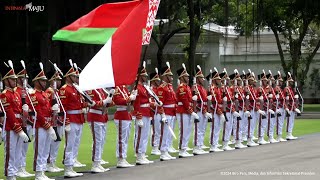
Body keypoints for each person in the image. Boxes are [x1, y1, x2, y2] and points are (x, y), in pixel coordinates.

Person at [1, 61, 29, 180]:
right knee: (11, 152)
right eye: (12, 79)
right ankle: (10, 175)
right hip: (11, 127)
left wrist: (25, 110)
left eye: (15, 79)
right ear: (6, 80)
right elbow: (9, 113)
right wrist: (18, 129)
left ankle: (15, 172)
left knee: (17, 152)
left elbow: (18, 112)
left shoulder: (17, 94)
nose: (15, 81)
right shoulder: (4, 95)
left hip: (18, 125)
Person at [30, 63, 58, 180]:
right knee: (39, 149)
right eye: (42, 80)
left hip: (47, 125)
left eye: (45, 80)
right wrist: (48, 126)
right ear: (36, 81)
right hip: (40, 126)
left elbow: (46, 110)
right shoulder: (34, 95)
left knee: (46, 149)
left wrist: (53, 111)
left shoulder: (45, 94)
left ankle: (42, 171)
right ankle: (38, 172)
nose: (45, 82)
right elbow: (38, 113)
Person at [59, 64, 86, 177]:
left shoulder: (76, 88)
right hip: (71, 119)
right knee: (69, 144)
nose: (76, 78)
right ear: (68, 77)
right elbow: (62, 107)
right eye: (74, 76)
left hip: (79, 119)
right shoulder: (64, 89)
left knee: (75, 143)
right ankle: (67, 167)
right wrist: (66, 122)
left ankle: (72, 165)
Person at [133, 62, 157, 165]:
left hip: (147, 113)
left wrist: (153, 103)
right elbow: (136, 103)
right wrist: (138, 116)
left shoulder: (144, 87)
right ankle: (139, 156)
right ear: (140, 76)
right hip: (141, 113)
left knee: (145, 135)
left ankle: (142, 154)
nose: (146, 77)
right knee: (140, 135)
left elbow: (147, 101)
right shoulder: (137, 88)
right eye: (144, 76)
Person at [14, 62, 35, 177]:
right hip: (20, 122)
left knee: (25, 147)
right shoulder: (17, 91)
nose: (25, 80)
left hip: (29, 121)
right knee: (18, 147)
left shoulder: (27, 91)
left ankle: (22, 167)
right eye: (23, 78)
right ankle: (17, 168)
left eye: (26, 78)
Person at [45, 71, 68, 172]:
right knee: (52, 142)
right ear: (52, 81)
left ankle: (52, 162)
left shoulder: (56, 91)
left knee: (57, 141)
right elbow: (47, 105)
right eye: (56, 80)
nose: (58, 82)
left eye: (59, 80)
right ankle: (49, 163)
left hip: (59, 119)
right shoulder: (49, 91)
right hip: (54, 120)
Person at [86, 87, 113, 172]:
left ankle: (98, 161)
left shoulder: (101, 90)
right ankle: (95, 164)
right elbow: (92, 103)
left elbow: (107, 103)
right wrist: (105, 101)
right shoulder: (92, 89)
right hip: (95, 116)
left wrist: (110, 98)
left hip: (101, 116)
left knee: (101, 140)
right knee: (97, 141)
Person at [175, 63, 198, 158]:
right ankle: (181, 149)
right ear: (181, 77)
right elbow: (184, 101)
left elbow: (189, 100)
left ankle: (184, 147)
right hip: (182, 111)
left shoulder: (187, 87)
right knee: (183, 130)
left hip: (187, 111)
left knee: (188, 130)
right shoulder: (181, 87)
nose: (188, 78)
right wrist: (191, 111)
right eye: (186, 76)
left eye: (188, 77)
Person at [157, 62, 177, 161]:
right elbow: (160, 103)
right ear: (165, 76)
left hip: (172, 112)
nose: (172, 77)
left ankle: (166, 150)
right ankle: (163, 152)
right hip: (166, 113)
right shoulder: (162, 88)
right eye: (170, 75)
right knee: (164, 133)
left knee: (169, 133)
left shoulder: (169, 87)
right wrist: (162, 114)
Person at [112, 84, 137, 168]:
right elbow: (118, 101)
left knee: (125, 139)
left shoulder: (123, 88)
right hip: (121, 115)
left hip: (126, 114)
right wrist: (130, 98)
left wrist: (132, 95)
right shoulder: (117, 89)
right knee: (121, 139)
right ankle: (120, 159)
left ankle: (123, 157)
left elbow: (128, 101)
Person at [192, 65, 211, 155]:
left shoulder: (203, 89)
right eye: (202, 78)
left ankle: (200, 145)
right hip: (199, 111)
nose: (203, 79)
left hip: (204, 111)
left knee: (202, 129)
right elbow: (197, 102)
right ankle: (196, 147)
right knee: (198, 130)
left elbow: (205, 101)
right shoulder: (196, 88)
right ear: (198, 79)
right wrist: (204, 111)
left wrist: (207, 110)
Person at [207, 69, 224, 152]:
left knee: (217, 128)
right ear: (213, 80)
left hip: (218, 111)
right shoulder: (212, 89)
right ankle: (213, 146)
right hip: (214, 112)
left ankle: (215, 143)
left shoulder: (217, 89)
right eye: (218, 79)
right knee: (214, 128)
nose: (219, 80)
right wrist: (219, 112)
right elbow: (213, 102)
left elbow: (219, 101)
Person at [284, 73, 300, 140]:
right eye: (290, 82)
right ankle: (288, 134)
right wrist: (289, 107)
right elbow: (286, 100)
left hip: (292, 108)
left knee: (292, 121)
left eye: (292, 82)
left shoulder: (291, 89)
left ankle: (290, 133)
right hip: (289, 108)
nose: (291, 83)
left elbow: (293, 99)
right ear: (288, 82)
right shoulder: (286, 89)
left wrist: (296, 107)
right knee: (289, 121)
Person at [149, 69, 162, 156]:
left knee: (158, 131)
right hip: (153, 113)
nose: (159, 81)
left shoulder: (157, 90)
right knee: (155, 131)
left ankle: (157, 146)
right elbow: (150, 102)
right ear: (153, 81)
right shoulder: (150, 90)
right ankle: (154, 147)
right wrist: (156, 105)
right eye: (157, 80)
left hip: (158, 112)